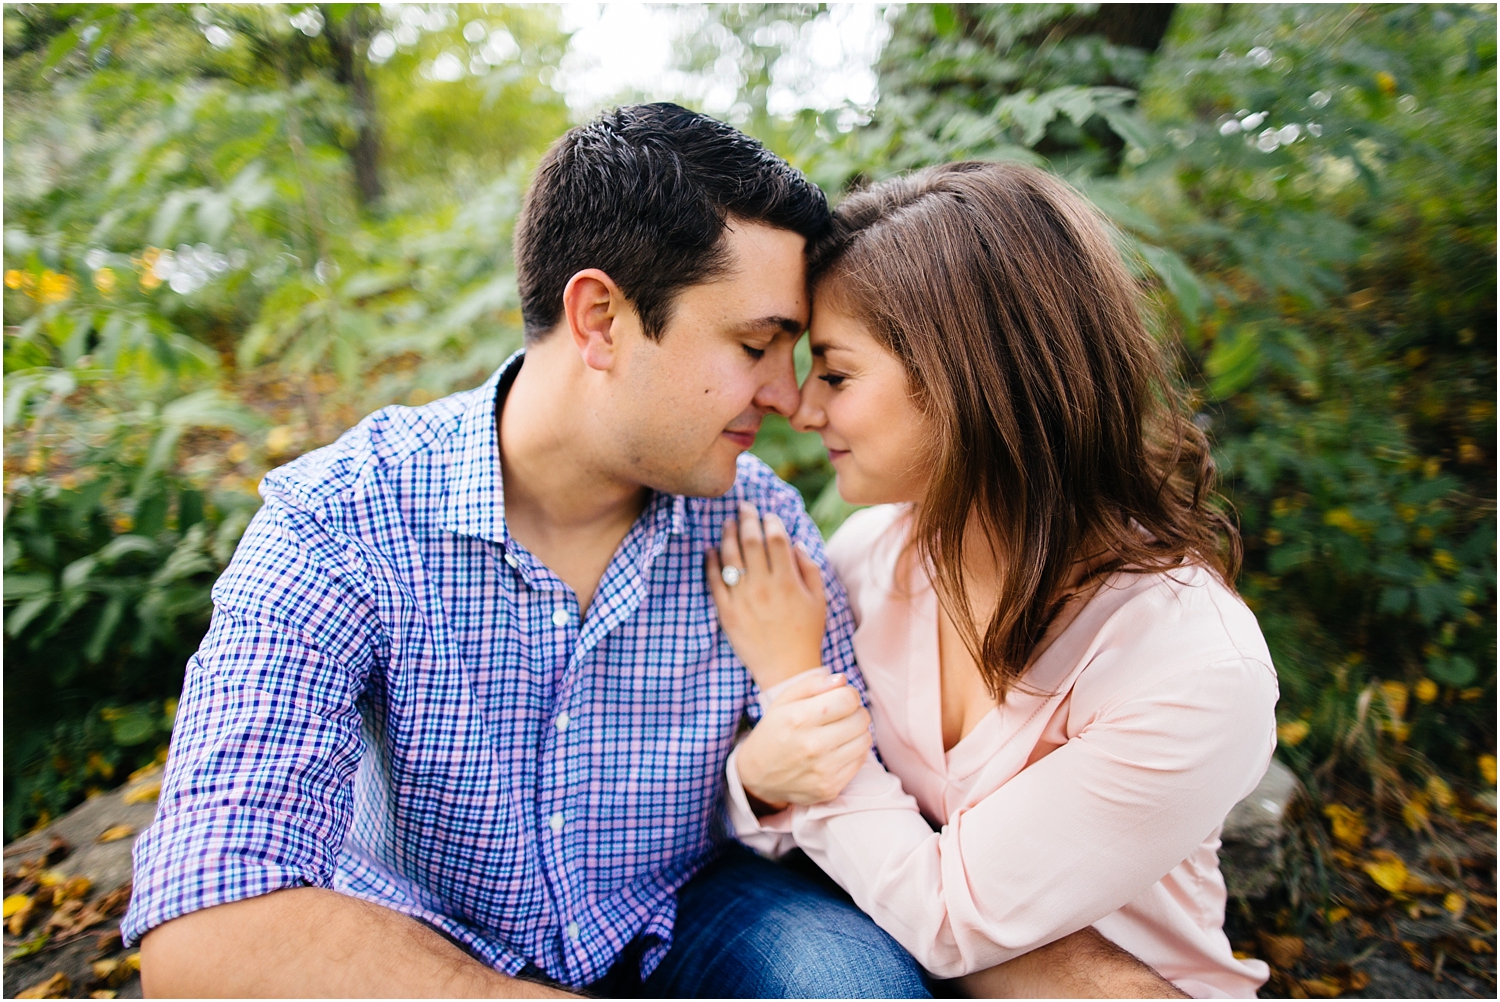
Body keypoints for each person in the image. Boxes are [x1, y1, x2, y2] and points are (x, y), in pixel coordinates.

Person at [124, 105, 1169, 999]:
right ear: (601, 320)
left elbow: (881, 810)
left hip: (685, 910)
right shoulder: (340, 520)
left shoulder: (758, 524)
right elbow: (205, 912)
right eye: (755, 346)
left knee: (847, 979)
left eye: (798, 356)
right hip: (432, 943)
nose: (788, 396)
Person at [710, 161, 1280, 998]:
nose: (801, 408)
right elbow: (765, 816)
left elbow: (950, 919)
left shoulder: (1192, 666)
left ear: (966, 380)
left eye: (835, 373)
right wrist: (761, 774)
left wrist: (797, 686)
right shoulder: (872, 554)